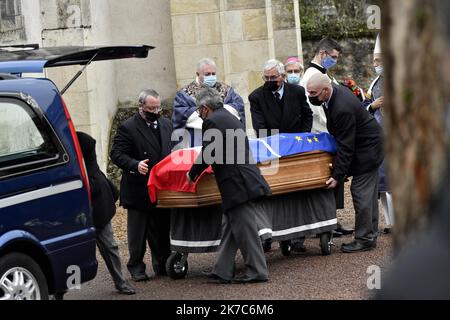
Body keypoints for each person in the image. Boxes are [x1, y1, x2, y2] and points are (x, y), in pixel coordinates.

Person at [187, 87, 271, 284]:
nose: (199, 115)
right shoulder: (229, 117)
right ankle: (223, 270)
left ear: (205, 108)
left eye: (199, 111)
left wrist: (193, 173)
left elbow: (209, 152)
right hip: (242, 179)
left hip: (237, 183)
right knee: (230, 227)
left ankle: (257, 271)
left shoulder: (212, 121)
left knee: (245, 230)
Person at [307, 73, 384, 253]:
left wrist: (337, 176)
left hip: (368, 150)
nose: (310, 97)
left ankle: (364, 238)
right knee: (368, 194)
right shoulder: (332, 95)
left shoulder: (341, 107)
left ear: (325, 90)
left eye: (313, 93)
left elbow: (346, 145)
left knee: (361, 193)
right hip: (368, 145)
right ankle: (369, 235)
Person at [110, 89, 172, 281]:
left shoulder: (166, 124)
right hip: (139, 188)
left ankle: (162, 264)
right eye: (151, 108)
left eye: (158, 107)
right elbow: (117, 154)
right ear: (141, 107)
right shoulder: (128, 127)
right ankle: (136, 267)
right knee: (138, 234)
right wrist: (134, 165)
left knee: (161, 229)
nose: (156, 110)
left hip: (160, 186)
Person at [77, 132, 136, 295]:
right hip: (79, 206)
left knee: (109, 246)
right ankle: (65, 289)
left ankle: (121, 282)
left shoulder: (82, 141)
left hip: (97, 205)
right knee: (73, 251)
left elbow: (89, 143)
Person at [172, 58, 245, 148]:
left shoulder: (226, 90)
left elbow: (238, 106)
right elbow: (180, 114)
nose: (211, 77)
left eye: (213, 74)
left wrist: (214, 112)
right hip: (197, 137)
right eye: (207, 74)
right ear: (198, 74)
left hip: (225, 135)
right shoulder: (184, 94)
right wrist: (219, 111)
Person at [363, 35, 395, 233]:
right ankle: (390, 222)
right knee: (383, 184)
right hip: (379, 138)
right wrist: (373, 106)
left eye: (378, 60)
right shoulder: (374, 82)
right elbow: (365, 105)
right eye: (374, 60)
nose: (375, 64)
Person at [249, 59, 313, 138]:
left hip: (296, 140)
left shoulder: (297, 91)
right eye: (266, 78)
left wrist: (303, 136)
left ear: (283, 76)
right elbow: (260, 127)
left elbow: (307, 116)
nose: (269, 81)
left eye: (273, 77)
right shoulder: (256, 97)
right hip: (273, 143)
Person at [300, 37, 342, 134]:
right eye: (333, 57)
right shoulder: (311, 76)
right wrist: (333, 129)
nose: (335, 61)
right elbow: (316, 112)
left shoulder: (322, 73)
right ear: (322, 53)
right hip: (322, 132)